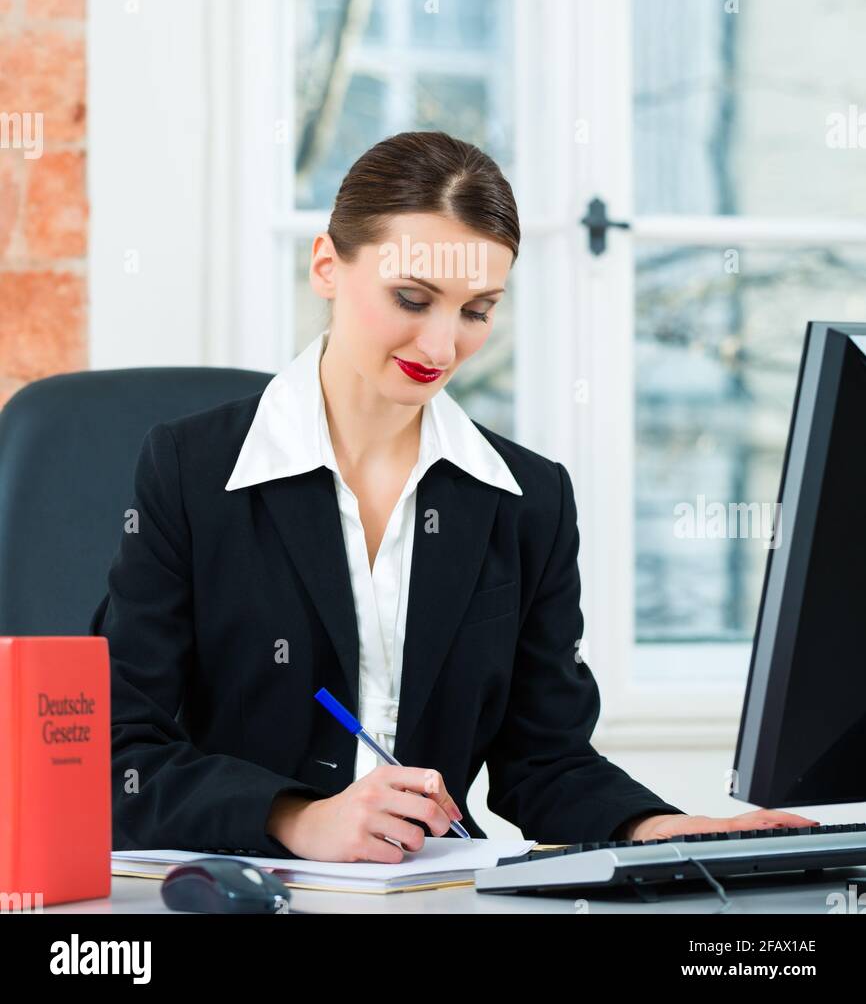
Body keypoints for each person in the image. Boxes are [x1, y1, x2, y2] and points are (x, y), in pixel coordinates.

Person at [90, 131, 816, 861]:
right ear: (326, 267)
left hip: (433, 895)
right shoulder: (190, 471)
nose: (441, 348)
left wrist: (656, 831)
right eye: (412, 297)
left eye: (476, 309)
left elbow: (547, 762)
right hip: (237, 888)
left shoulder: (527, 500)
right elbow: (119, 750)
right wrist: (298, 818)